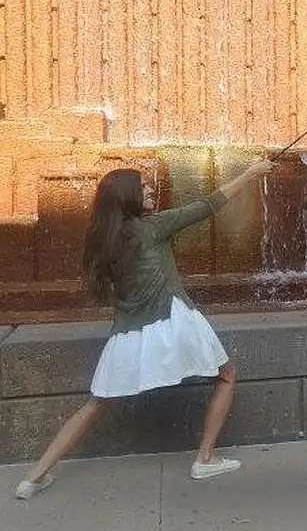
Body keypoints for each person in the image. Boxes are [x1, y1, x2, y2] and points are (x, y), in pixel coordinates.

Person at [15, 159, 276, 499]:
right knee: (226, 375)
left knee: (95, 405)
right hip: (174, 322)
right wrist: (251, 173)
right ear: (127, 196)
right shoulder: (151, 227)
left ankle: (33, 477)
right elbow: (208, 204)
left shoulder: (103, 240)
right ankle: (205, 459)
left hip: (128, 336)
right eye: (143, 187)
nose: (152, 189)